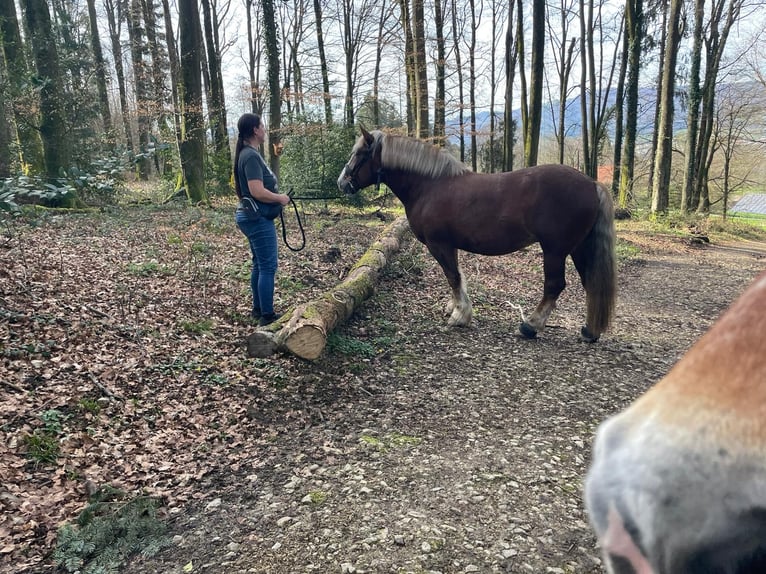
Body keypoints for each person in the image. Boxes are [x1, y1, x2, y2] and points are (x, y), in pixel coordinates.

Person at [234, 113, 290, 326]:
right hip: (256, 218)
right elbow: (256, 190)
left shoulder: (249, 154)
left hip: (251, 216)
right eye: (262, 126)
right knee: (268, 265)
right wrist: (280, 198)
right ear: (255, 130)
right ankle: (267, 316)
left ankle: (258, 309)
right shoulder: (250, 156)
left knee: (259, 263)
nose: (265, 129)